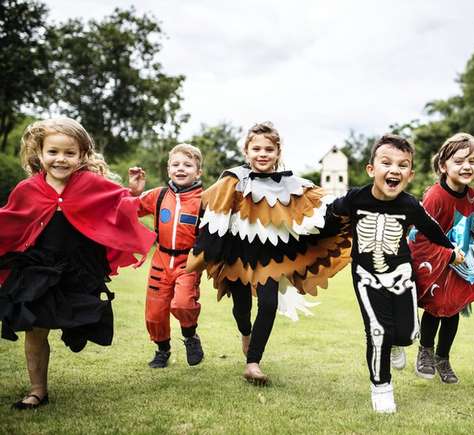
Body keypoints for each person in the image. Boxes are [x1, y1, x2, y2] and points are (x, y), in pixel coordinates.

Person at [0, 117, 155, 409]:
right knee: (35, 329)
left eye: (69, 153)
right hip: (37, 268)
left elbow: (119, 206)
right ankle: (37, 390)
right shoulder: (27, 189)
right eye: (53, 152)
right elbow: (10, 220)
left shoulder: (90, 184)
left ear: (82, 155)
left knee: (78, 323)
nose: (60, 159)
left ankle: (75, 331)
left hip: (78, 268)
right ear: (40, 153)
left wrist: (134, 193)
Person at [186, 122, 351, 386]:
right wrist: (204, 253)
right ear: (246, 151)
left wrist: (355, 202)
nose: (262, 154)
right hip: (236, 255)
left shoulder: (292, 183)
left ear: (277, 152)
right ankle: (245, 333)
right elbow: (208, 210)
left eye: (269, 149)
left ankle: (253, 363)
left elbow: (321, 205)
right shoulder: (232, 180)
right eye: (256, 148)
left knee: (269, 304)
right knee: (242, 308)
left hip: (270, 258)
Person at [328, 134, 464, 413]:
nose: (394, 170)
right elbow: (328, 216)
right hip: (365, 275)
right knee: (378, 330)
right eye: (386, 163)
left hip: (402, 273)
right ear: (371, 169)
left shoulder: (410, 205)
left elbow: (432, 229)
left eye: (403, 165)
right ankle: (381, 387)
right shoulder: (355, 198)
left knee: (405, 334)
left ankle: (395, 343)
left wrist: (452, 250)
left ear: (410, 174)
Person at [408, 132, 474, 384]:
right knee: (435, 309)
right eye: (459, 161)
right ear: (443, 165)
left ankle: (443, 358)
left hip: (460, 263)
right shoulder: (435, 196)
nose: (466, 166)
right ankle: (425, 352)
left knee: (454, 310)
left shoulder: (471, 194)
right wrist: (447, 255)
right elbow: (420, 235)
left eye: (472, 161)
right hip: (438, 262)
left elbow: (470, 224)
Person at [127, 144, 205, 368]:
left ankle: (190, 337)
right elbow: (130, 209)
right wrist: (133, 192)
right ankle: (162, 350)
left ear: (198, 172)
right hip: (161, 259)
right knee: (155, 311)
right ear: (168, 169)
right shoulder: (158, 195)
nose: (181, 169)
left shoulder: (204, 200)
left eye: (188, 165)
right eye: (176, 164)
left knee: (183, 304)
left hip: (188, 262)